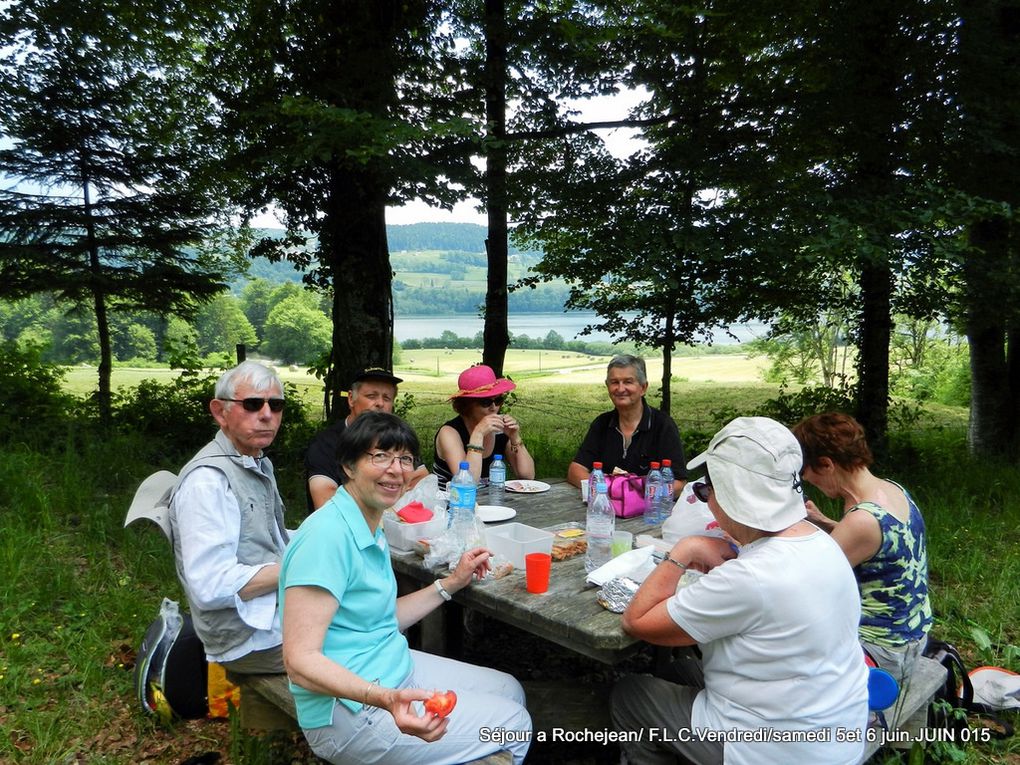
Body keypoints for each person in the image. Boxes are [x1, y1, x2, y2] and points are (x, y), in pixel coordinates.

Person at [612, 416, 869, 765]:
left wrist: (684, 550)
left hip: (775, 750)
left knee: (631, 693)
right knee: (675, 670)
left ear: (732, 494)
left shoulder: (751, 576)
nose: (705, 500)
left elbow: (637, 621)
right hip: (836, 732)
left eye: (706, 491)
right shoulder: (822, 542)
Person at [280, 411, 532, 764]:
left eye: (404, 458)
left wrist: (450, 583)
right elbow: (300, 662)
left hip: (389, 665)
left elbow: (380, 618)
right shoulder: (326, 537)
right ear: (348, 466)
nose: (396, 469)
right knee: (514, 724)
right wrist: (383, 697)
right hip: (348, 715)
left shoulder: (369, 522)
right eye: (380, 456)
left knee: (510, 689)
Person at [793, 411, 933, 686]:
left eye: (806, 471)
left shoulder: (861, 521)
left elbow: (804, 580)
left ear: (826, 464)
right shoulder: (892, 490)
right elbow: (883, 547)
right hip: (910, 639)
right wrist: (823, 521)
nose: (807, 480)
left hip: (881, 655)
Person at [168, 361, 289, 675]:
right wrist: (303, 566)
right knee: (358, 641)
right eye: (252, 404)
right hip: (246, 638)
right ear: (220, 412)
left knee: (368, 616)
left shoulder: (254, 460)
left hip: (272, 614)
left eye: (275, 405)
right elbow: (210, 585)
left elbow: (272, 538)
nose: (266, 414)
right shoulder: (208, 482)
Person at [305, 367, 427, 511]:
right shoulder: (325, 444)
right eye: (371, 396)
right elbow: (326, 501)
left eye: (386, 398)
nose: (380, 403)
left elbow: (423, 480)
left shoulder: (397, 439)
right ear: (351, 399)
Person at [568, 354, 686, 494]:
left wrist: (633, 495)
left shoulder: (663, 426)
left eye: (628, 382)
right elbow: (575, 470)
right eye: (614, 382)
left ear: (643, 388)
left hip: (648, 510)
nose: (620, 388)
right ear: (608, 387)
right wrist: (607, 490)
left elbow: (679, 483)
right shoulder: (602, 424)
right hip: (606, 506)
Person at [433, 364, 535, 487]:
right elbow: (467, 483)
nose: (494, 408)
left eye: (498, 400)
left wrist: (515, 438)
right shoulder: (449, 432)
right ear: (467, 406)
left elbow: (528, 476)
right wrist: (478, 434)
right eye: (486, 402)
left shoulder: (499, 429)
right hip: (451, 503)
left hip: (490, 502)